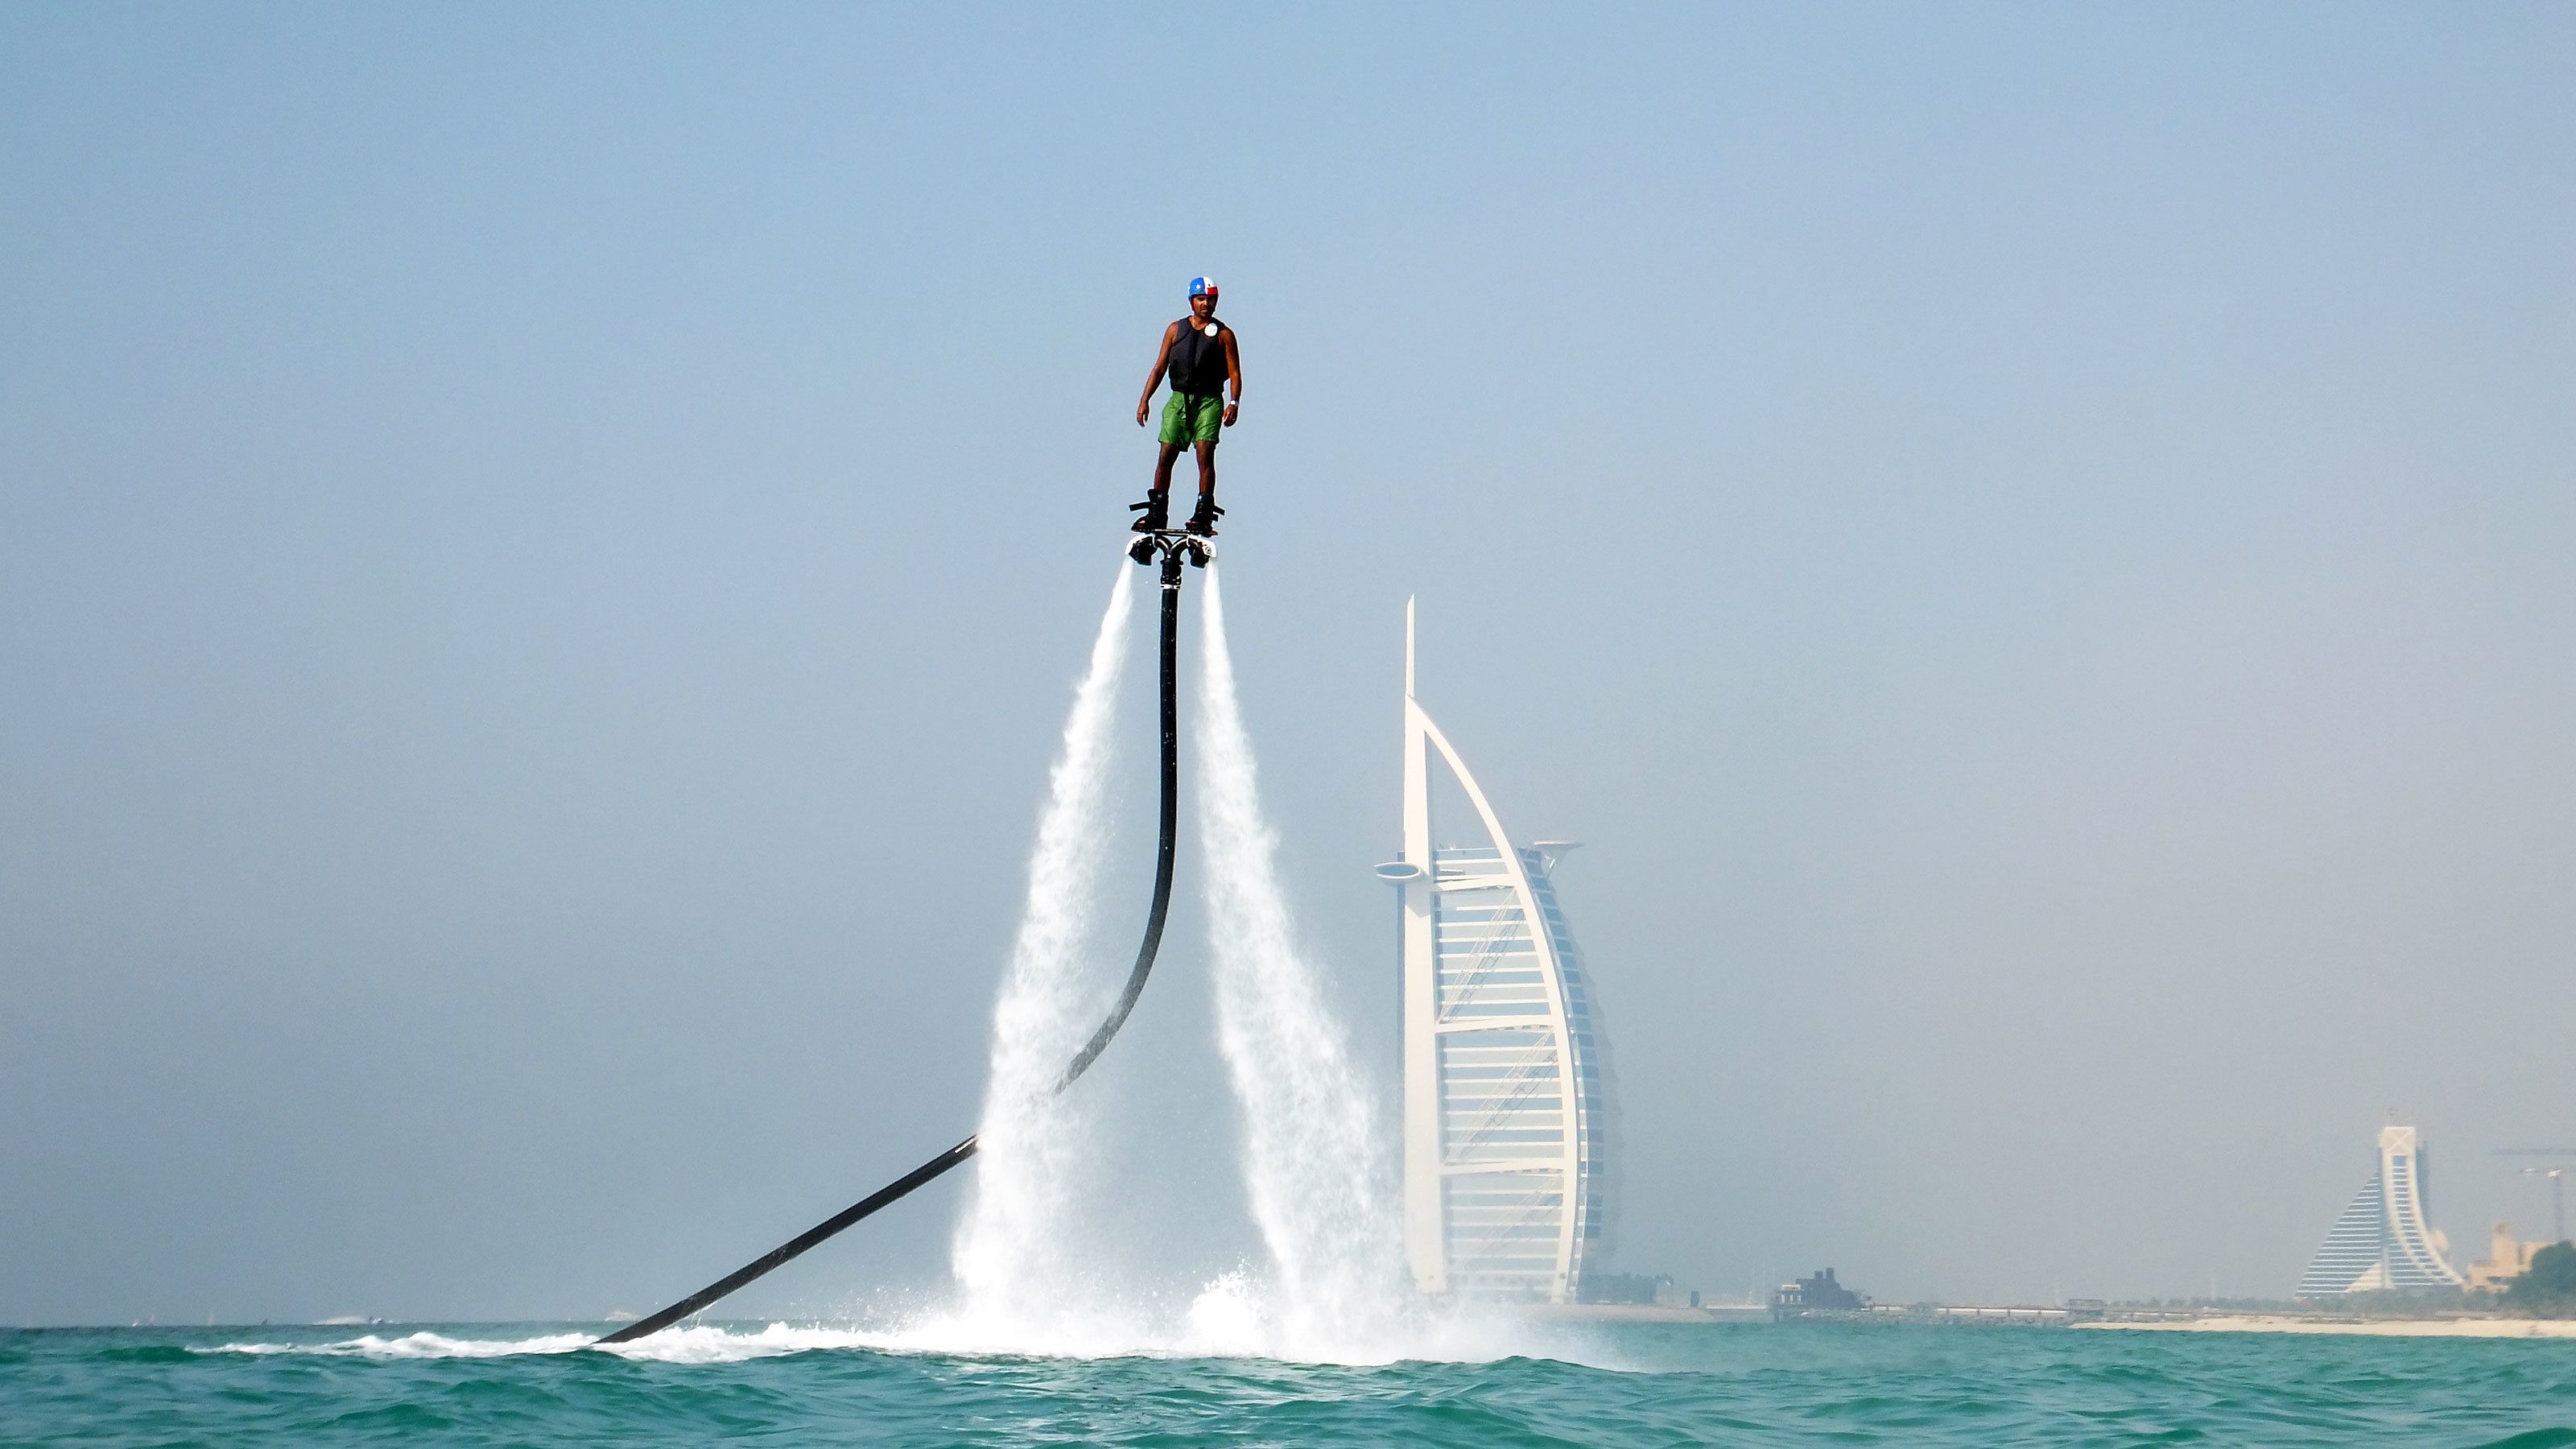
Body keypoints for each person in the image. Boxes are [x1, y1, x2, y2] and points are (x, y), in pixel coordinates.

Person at [1133, 276, 1241, 536]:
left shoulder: (1224, 334)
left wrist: (1234, 402)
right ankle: (1157, 510)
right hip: (1178, 399)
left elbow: (1235, 373)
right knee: (1166, 454)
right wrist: (1144, 399)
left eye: (1211, 299)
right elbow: (1160, 367)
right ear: (1191, 301)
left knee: (1205, 453)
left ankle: (1203, 512)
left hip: (1209, 401)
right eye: (1201, 299)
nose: (1206, 304)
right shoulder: (1175, 330)